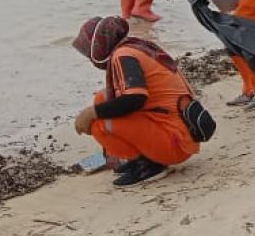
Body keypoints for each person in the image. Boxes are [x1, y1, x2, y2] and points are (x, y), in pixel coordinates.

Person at [71, 16, 199, 187]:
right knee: (102, 99)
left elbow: (135, 99)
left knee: (100, 124)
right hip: (181, 130)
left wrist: (91, 113)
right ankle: (143, 158)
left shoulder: (123, 55)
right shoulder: (135, 46)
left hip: (174, 142)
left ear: (99, 45)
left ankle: (150, 164)